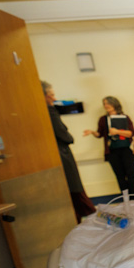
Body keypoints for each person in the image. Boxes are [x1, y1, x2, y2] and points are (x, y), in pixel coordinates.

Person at [42, 81, 95, 222]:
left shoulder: (39, 113)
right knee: (76, 191)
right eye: (51, 95)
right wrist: (70, 137)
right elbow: (63, 133)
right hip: (62, 155)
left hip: (53, 155)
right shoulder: (50, 111)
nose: (54, 98)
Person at [83, 96, 134, 195]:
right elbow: (99, 134)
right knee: (119, 176)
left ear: (114, 103)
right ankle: (126, 199)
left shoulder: (125, 117)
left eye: (108, 103)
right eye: (104, 103)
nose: (106, 105)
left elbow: (131, 133)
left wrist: (117, 132)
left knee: (130, 175)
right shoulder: (103, 119)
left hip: (127, 149)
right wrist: (91, 132)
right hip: (112, 151)